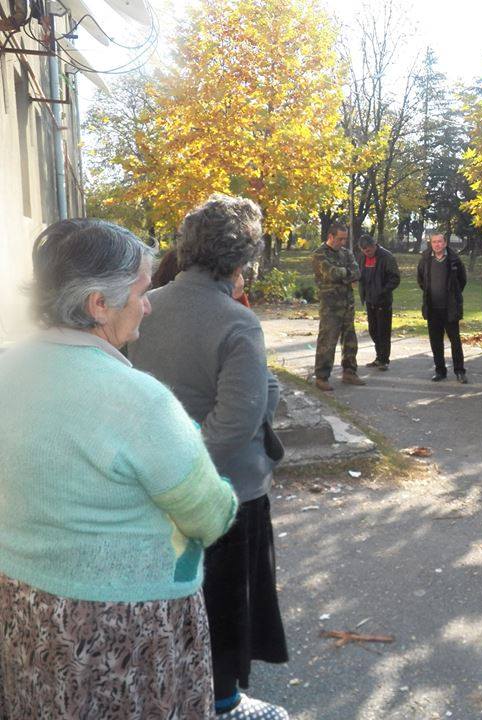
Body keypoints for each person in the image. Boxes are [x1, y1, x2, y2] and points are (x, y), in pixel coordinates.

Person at [0, 219, 237, 718]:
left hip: (26, 609)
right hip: (123, 625)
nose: (146, 304)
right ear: (97, 305)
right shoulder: (138, 400)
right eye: (140, 291)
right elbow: (210, 516)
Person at [128, 195, 290, 718]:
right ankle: (222, 701)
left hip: (156, 483)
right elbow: (238, 420)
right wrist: (193, 474)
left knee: (175, 601)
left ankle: (183, 690)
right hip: (225, 493)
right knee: (222, 604)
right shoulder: (235, 321)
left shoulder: (148, 303)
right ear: (242, 259)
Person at [312, 222, 365, 390]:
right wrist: (347, 274)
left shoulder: (347, 254)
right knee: (327, 340)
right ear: (330, 237)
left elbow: (357, 272)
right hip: (330, 305)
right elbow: (331, 273)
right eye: (340, 239)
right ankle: (322, 376)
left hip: (347, 303)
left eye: (345, 239)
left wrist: (345, 274)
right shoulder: (320, 254)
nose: (343, 242)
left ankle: (349, 372)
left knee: (350, 339)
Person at [416, 232, 468, 383]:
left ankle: (459, 371)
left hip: (450, 308)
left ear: (445, 243)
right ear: (430, 244)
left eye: (440, 241)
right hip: (432, 308)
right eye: (434, 242)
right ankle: (440, 371)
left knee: (455, 341)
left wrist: (452, 295)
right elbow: (421, 280)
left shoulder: (454, 260)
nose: (437, 244)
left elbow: (462, 281)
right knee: (435, 341)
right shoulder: (425, 260)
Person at [358, 234, 401, 371]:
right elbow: (361, 275)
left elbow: (395, 278)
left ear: (374, 245)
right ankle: (379, 356)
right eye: (364, 250)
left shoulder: (386, 257)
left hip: (383, 300)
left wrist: (383, 291)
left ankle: (384, 359)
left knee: (383, 331)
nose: (367, 252)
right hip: (370, 299)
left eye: (369, 249)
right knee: (373, 330)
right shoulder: (362, 258)